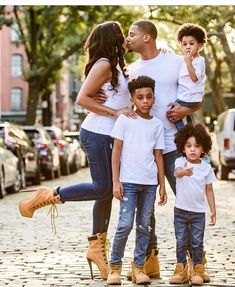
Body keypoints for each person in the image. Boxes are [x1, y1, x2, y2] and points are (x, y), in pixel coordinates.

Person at [18, 21, 136, 280]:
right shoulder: (105, 62)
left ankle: (96, 249)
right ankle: (47, 195)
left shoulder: (115, 65)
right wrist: (115, 111)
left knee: (105, 195)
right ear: (113, 38)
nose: (127, 38)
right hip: (97, 133)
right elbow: (82, 99)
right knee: (104, 188)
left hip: (109, 134)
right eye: (123, 34)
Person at [125, 20, 206, 280]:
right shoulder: (131, 69)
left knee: (189, 204)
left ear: (147, 37)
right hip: (144, 150)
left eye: (132, 34)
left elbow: (196, 93)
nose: (128, 38)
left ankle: (196, 263)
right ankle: (150, 261)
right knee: (144, 210)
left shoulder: (175, 60)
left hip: (174, 145)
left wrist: (186, 109)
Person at [107, 76, 167, 285]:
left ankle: (138, 267)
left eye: (149, 97)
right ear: (132, 98)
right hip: (128, 182)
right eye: (140, 97)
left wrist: (162, 186)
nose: (145, 101)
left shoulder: (158, 125)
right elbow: (116, 151)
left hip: (150, 184)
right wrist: (116, 181)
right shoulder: (125, 120)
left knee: (144, 226)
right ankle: (114, 267)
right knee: (124, 224)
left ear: (154, 98)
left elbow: (158, 155)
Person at [169, 123, 216, 285]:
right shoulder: (180, 162)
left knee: (197, 242)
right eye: (188, 146)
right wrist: (184, 171)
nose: (193, 149)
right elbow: (177, 173)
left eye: (197, 146)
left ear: (203, 149)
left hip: (198, 213)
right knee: (181, 241)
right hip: (180, 211)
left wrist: (213, 211)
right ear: (183, 148)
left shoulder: (206, 168)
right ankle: (181, 270)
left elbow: (209, 190)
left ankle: (197, 270)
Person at [174, 23, 207, 130]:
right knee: (181, 113)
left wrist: (188, 63)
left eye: (191, 43)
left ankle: (183, 130)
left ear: (200, 45)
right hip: (187, 96)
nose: (188, 46)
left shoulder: (199, 61)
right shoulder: (185, 58)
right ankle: (188, 126)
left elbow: (194, 78)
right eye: (184, 44)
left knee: (172, 112)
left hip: (190, 97)